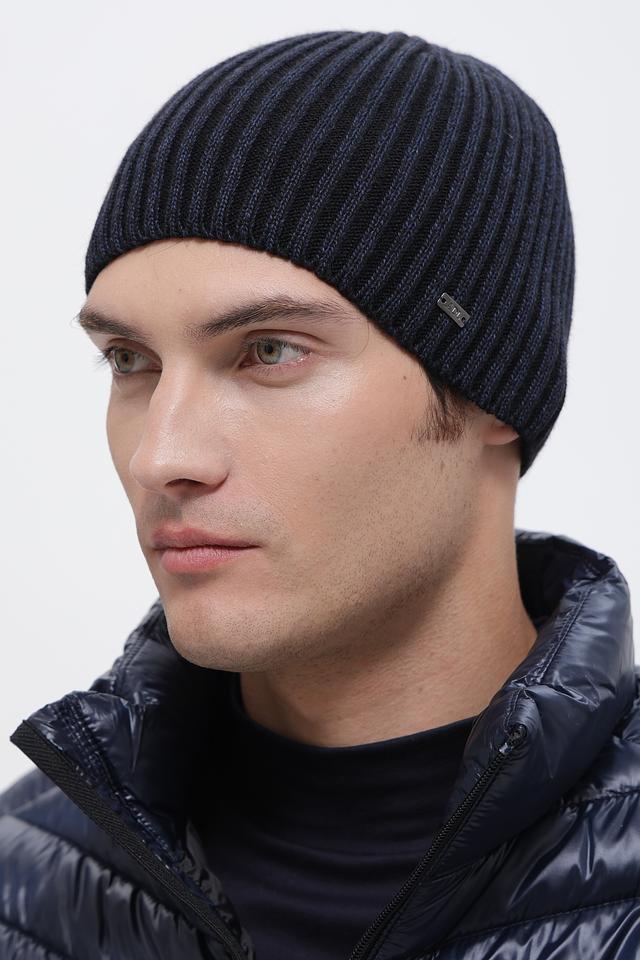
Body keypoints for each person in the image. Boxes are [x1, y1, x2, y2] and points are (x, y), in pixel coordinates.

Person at [1, 28, 637, 960]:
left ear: (492, 391)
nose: (161, 456)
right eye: (130, 360)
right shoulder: (25, 885)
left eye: (269, 351)